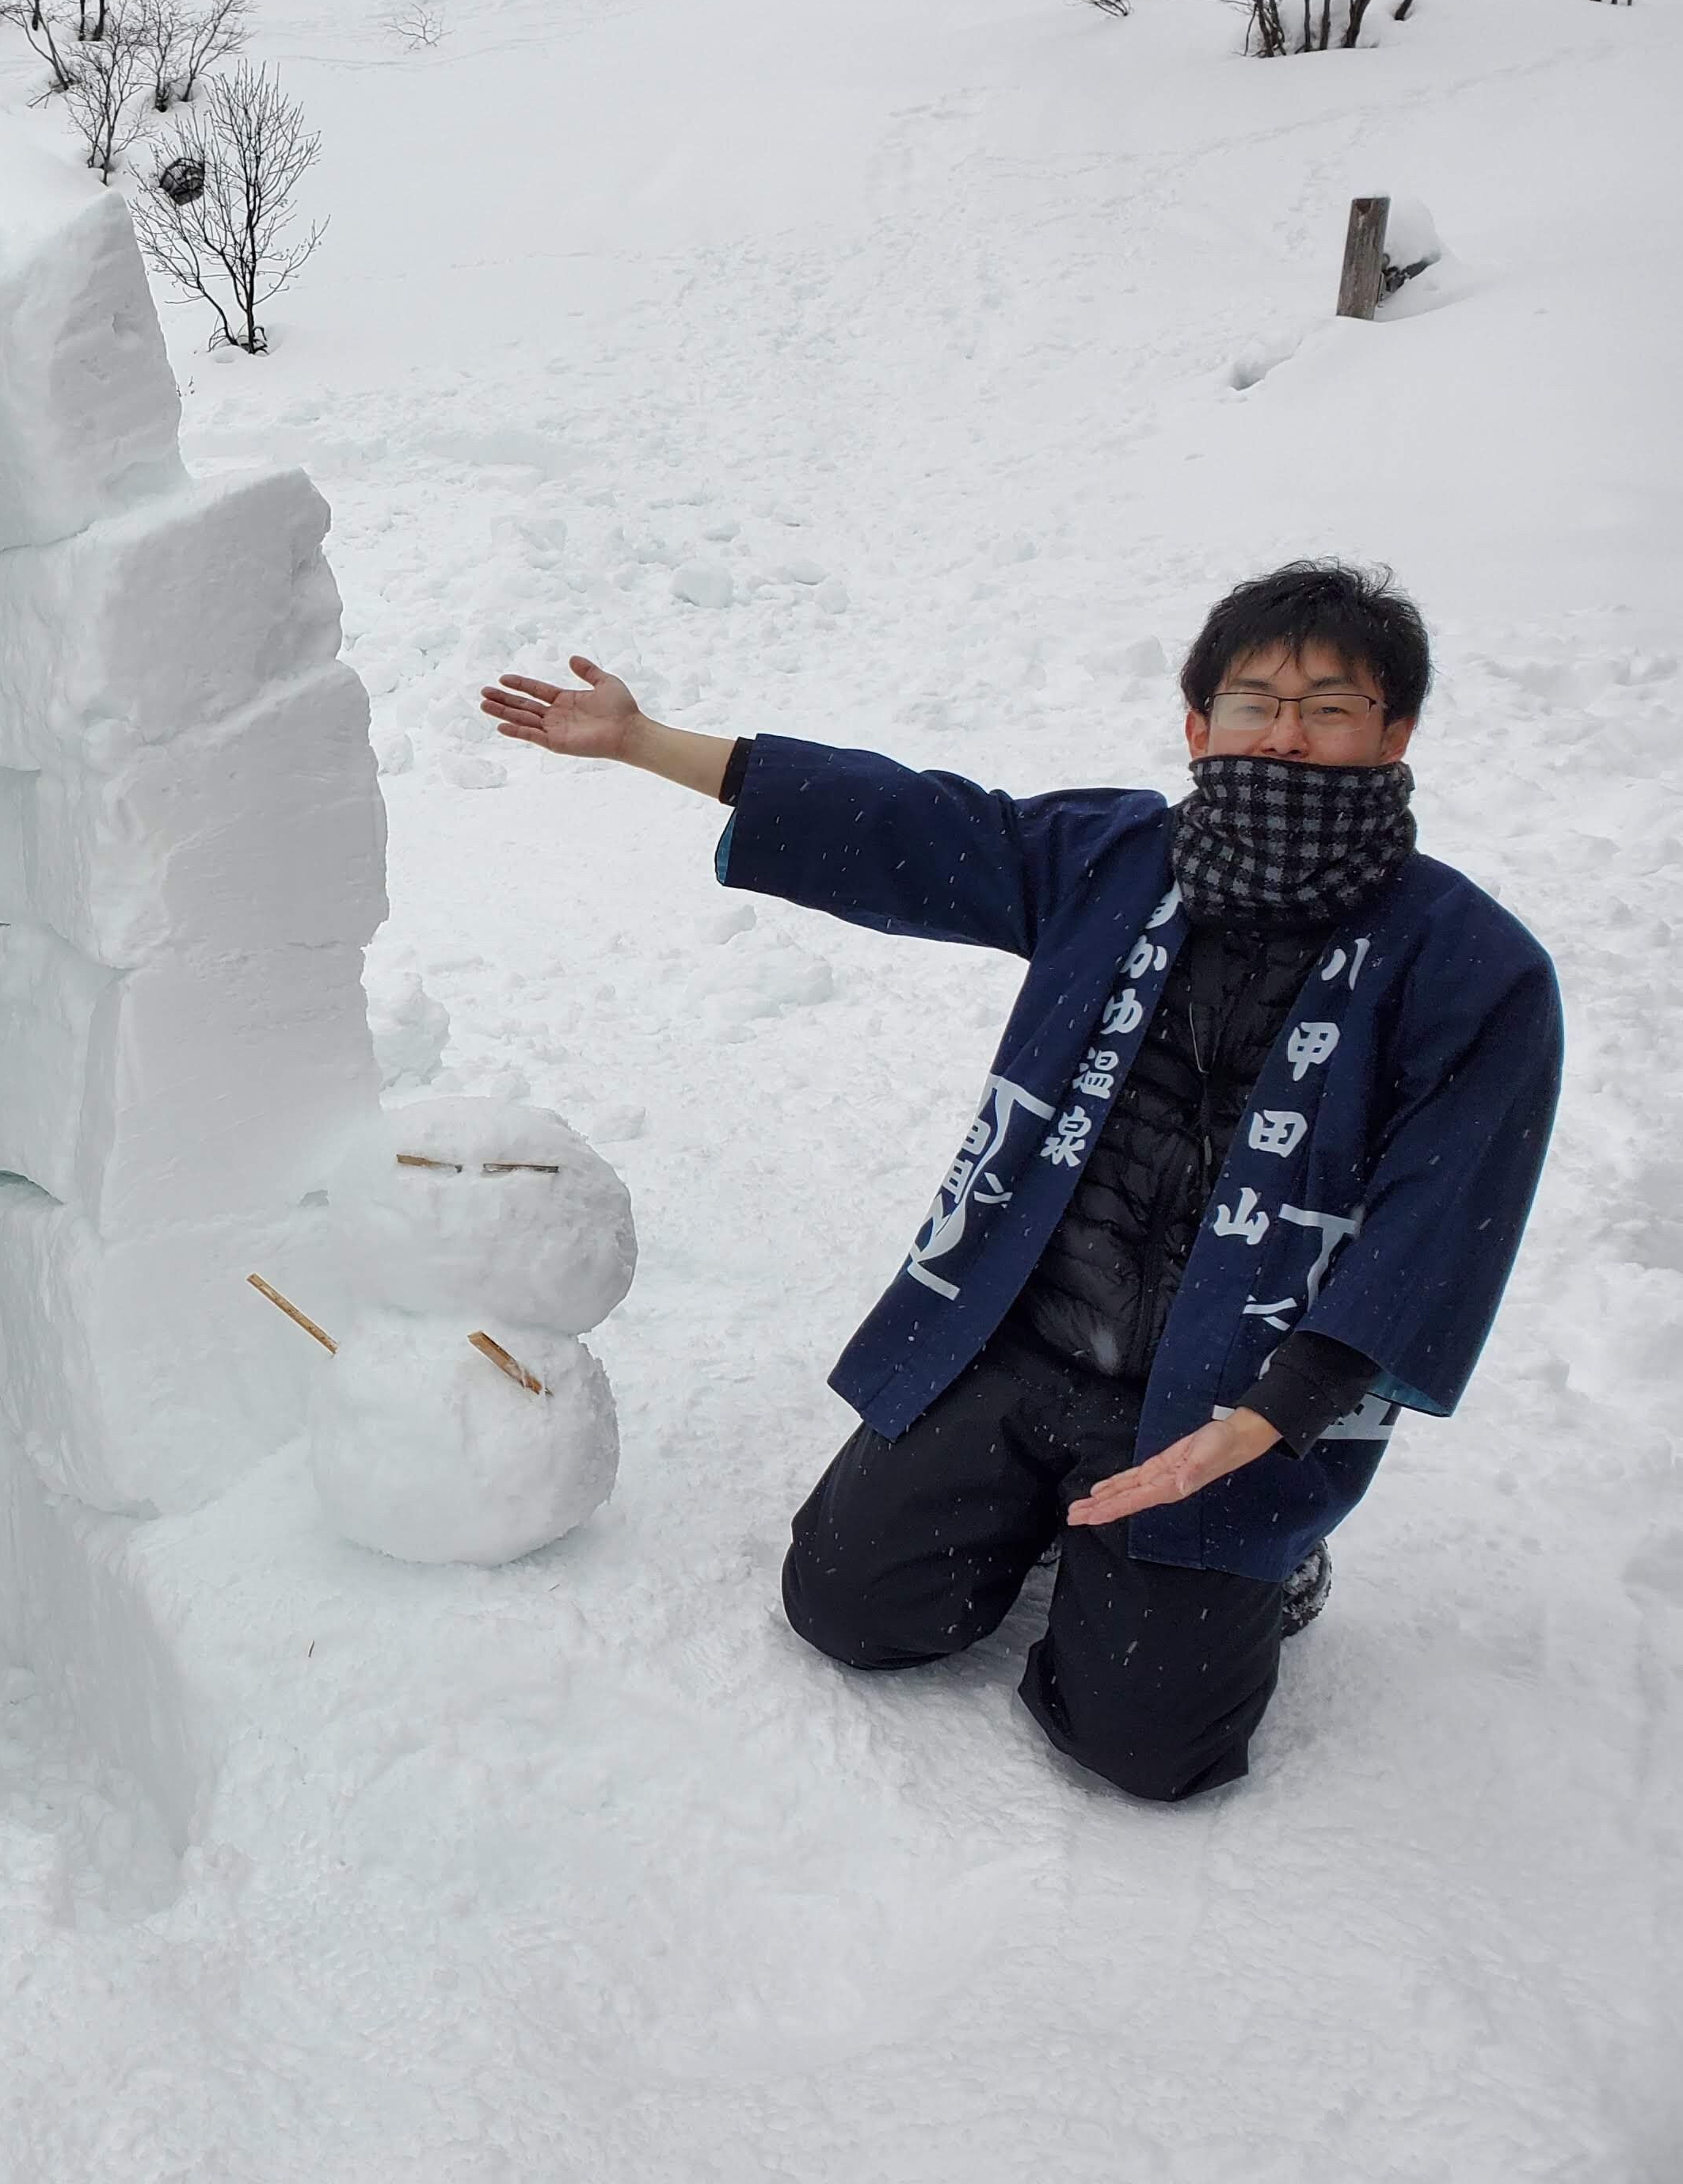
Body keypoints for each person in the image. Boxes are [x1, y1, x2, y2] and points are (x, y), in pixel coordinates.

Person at [478, 562, 1561, 1801]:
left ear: (1394, 731)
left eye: (1330, 705)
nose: (1291, 733)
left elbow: (1445, 1214)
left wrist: (1278, 1424)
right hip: (1027, 1338)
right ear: (1200, 726)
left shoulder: (1474, 964)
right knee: (848, 1609)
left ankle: (1273, 1566)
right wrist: (644, 742)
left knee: (1149, 1753)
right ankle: (1041, 1500)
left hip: (1230, 1403)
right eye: (1258, 701)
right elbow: (916, 827)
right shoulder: (1114, 859)